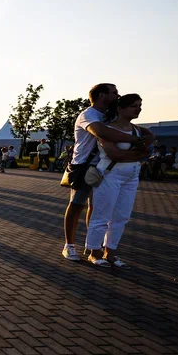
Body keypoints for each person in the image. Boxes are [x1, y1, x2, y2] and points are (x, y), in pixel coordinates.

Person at [62, 83, 154, 262]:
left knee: (96, 208)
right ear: (102, 96)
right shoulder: (88, 115)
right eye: (114, 93)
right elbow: (102, 132)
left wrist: (146, 138)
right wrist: (136, 140)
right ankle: (69, 245)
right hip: (84, 166)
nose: (117, 95)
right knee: (76, 205)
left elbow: (144, 132)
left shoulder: (110, 115)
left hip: (104, 168)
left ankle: (93, 247)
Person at [84, 94, 146, 268]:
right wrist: (136, 154)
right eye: (134, 105)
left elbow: (146, 152)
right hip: (110, 174)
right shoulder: (108, 129)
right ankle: (94, 252)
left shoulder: (136, 130)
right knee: (101, 215)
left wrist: (135, 155)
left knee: (122, 217)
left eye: (140, 105)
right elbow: (114, 154)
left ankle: (110, 251)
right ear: (120, 108)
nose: (138, 108)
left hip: (132, 175)